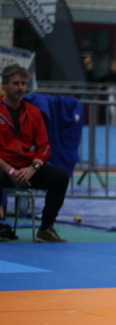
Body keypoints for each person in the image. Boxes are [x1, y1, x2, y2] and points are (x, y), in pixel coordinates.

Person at [0, 64, 69, 243]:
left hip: (26, 169)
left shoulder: (33, 112)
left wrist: (33, 168)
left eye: (23, 84)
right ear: (4, 85)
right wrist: (10, 171)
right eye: (15, 83)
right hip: (4, 168)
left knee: (60, 176)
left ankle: (45, 229)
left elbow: (44, 146)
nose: (20, 88)